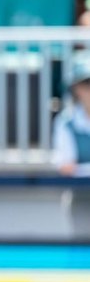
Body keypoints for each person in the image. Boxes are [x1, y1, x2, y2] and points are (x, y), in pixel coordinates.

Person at [53, 58, 90, 236]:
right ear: (76, 89)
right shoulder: (66, 122)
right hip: (81, 196)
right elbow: (66, 167)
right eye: (87, 84)